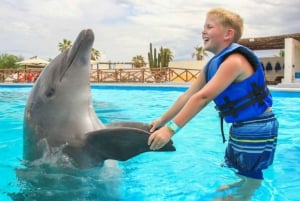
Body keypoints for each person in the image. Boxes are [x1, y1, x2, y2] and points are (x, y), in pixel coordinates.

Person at [147, 8, 279, 200]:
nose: (203, 31)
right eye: (204, 27)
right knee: (241, 174)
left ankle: (244, 193)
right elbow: (186, 96)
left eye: (209, 26)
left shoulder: (235, 60)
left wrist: (170, 129)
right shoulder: (211, 66)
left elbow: (203, 97)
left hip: (257, 127)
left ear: (228, 34)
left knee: (250, 180)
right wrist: (161, 120)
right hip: (242, 127)